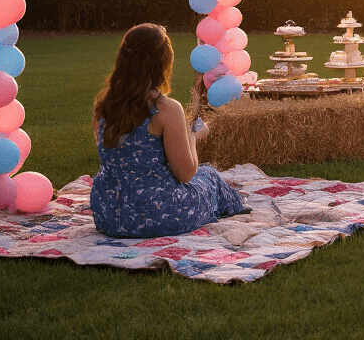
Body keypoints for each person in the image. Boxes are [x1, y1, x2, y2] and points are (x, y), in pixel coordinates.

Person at [89, 23, 246, 238]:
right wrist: (192, 136)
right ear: (162, 64)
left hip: (108, 216)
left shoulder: (103, 107)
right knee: (208, 175)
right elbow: (186, 174)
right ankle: (236, 205)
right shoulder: (164, 109)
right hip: (157, 216)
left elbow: (121, 159)